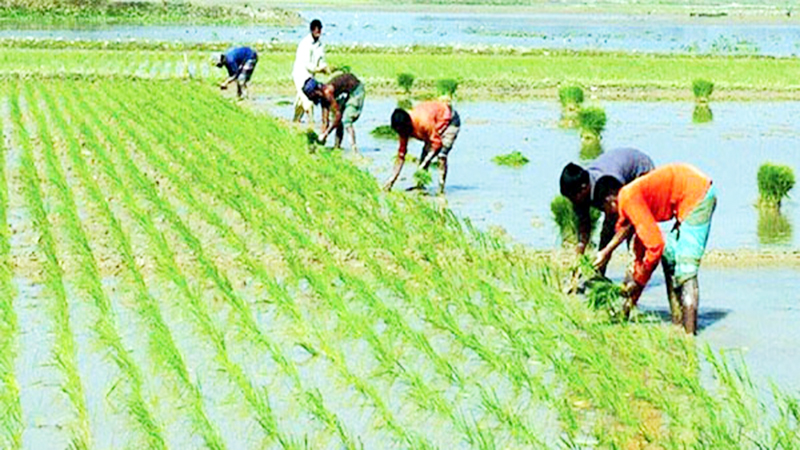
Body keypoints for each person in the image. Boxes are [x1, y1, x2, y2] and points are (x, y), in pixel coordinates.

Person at [593, 163, 717, 335]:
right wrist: (629, 304)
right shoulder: (631, 202)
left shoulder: (629, 199)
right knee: (669, 257)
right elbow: (641, 256)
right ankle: (677, 323)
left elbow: (655, 246)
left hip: (698, 195)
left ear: (610, 201)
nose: (608, 217)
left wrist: (637, 282)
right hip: (686, 197)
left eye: (605, 211)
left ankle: (689, 339)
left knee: (686, 269)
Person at [559, 148, 654, 274]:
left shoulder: (607, 186)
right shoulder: (579, 194)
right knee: (607, 232)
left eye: (572, 198)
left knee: (633, 234)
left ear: (584, 189)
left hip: (641, 172)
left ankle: (636, 277)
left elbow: (626, 223)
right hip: (618, 172)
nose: (572, 202)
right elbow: (584, 225)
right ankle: (599, 275)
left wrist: (607, 250)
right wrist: (579, 255)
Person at [382, 100, 460, 194]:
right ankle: (420, 186)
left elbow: (437, 144)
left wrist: (424, 163)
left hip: (450, 120)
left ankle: (441, 190)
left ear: (408, 125)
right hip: (433, 126)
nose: (403, 135)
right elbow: (401, 156)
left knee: (441, 155)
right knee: (425, 155)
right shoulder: (403, 129)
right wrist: (391, 180)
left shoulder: (423, 122)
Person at [302, 73, 366, 152]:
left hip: (356, 90)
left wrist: (326, 133)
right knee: (338, 121)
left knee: (346, 119)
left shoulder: (328, 92)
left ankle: (354, 149)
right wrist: (322, 136)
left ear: (317, 91)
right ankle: (337, 147)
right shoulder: (323, 97)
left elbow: (338, 116)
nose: (311, 99)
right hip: (345, 93)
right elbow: (325, 121)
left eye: (311, 96)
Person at [292, 19, 330, 126]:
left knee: (300, 102)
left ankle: (295, 122)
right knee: (308, 103)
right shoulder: (305, 44)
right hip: (300, 76)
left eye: (320, 30)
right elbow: (308, 65)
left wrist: (326, 68)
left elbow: (321, 61)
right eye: (316, 30)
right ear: (312, 30)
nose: (318, 33)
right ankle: (311, 125)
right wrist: (319, 69)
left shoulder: (320, 45)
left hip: (310, 78)